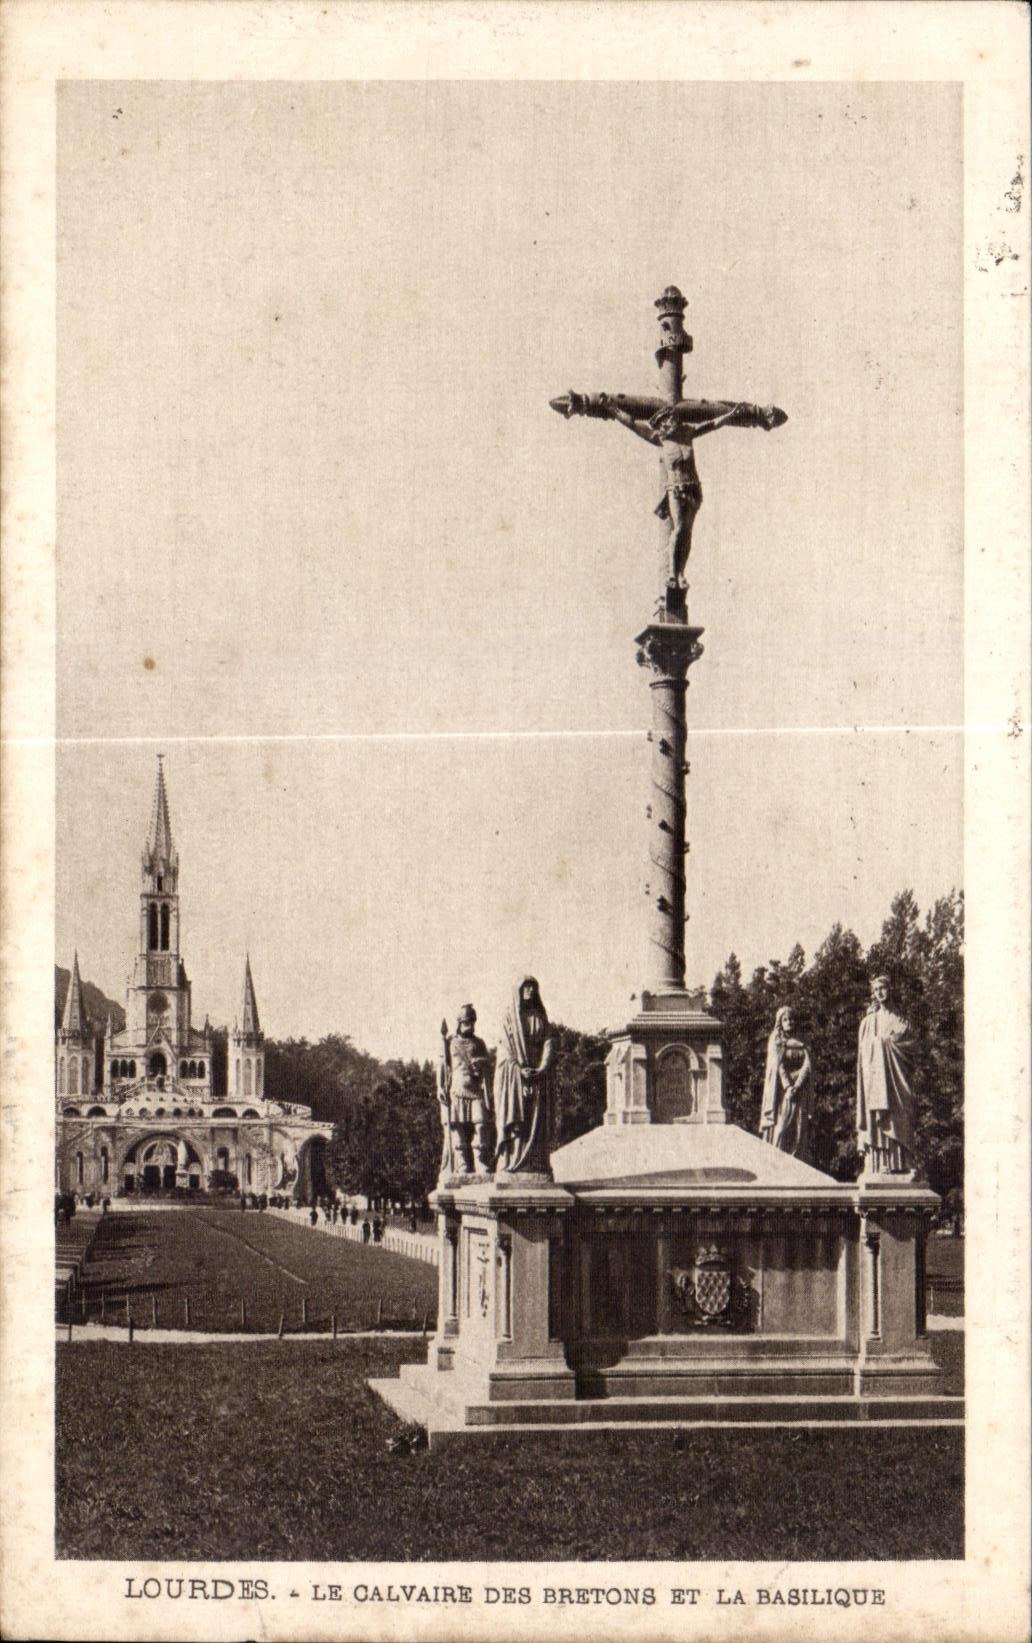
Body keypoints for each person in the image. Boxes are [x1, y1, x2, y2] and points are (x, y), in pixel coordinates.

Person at [856, 974, 917, 1175]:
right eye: (875, 990)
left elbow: (911, 1050)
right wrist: (881, 1043)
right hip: (876, 1081)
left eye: (882, 988)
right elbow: (863, 1054)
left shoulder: (902, 1021)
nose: (879, 993)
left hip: (897, 1081)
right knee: (878, 1120)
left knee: (901, 1117)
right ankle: (879, 1164)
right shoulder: (868, 1022)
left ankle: (903, 1163)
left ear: (890, 989)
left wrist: (887, 1043)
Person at [493, 976, 555, 1176]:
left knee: (536, 1121)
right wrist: (519, 1069)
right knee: (518, 1118)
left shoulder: (540, 1016)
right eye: (526, 987)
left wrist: (542, 1067)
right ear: (518, 990)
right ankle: (514, 1160)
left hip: (538, 1074)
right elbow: (505, 1049)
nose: (529, 990)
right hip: (516, 1075)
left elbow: (548, 1042)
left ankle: (536, 1163)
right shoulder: (509, 1017)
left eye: (533, 987)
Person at [437, 1004, 493, 1178]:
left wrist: (482, 1064)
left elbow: (488, 1066)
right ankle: (462, 1165)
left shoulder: (479, 1043)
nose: (471, 1026)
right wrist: (440, 1086)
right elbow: (442, 1066)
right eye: (467, 1022)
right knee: (457, 1128)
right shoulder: (450, 1043)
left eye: (473, 1022)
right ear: (460, 1023)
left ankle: (481, 1162)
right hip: (457, 1090)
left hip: (475, 1090)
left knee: (481, 1125)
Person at [759, 1006, 812, 1159]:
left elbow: (808, 1065)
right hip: (782, 1091)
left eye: (791, 1019)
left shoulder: (803, 1040)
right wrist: (788, 1086)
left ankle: (798, 1158)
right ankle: (776, 1160)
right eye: (785, 1019)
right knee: (781, 1126)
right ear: (780, 1022)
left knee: (799, 1128)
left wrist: (798, 1084)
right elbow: (777, 1064)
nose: (789, 1022)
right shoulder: (776, 1039)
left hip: (799, 1089)